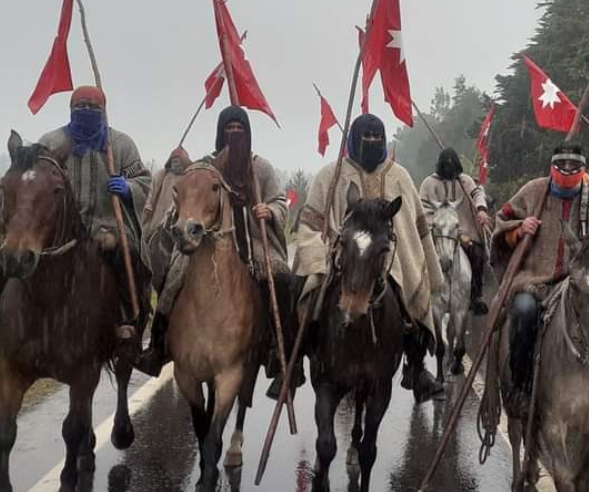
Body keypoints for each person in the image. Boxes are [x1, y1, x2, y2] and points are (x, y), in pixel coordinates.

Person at [0, 86, 150, 359]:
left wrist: (129, 187)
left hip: (105, 225)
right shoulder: (51, 141)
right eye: (80, 106)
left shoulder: (121, 144)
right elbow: (30, 179)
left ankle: (125, 320)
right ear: (70, 109)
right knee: (1, 255)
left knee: (129, 254)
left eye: (93, 107)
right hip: (57, 227)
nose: (86, 110)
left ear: (104, 110)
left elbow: (144, 181)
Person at [136, 105, 299, 399]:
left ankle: (282, 356)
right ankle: (158, 348)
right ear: (219, 132)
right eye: (229, 128)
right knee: (172, 279)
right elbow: (187, 197)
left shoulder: (260, 167)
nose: (234, 133)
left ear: (248, 132)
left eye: (239, 128)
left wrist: (270, 210)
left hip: (252, 241)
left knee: (283, 279)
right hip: (207, 243)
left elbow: (278, 201)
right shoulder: (206, 167)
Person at [293, 114, 446, 402]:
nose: (372, 141)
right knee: (306, 293)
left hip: (388, 259)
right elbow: (310, 223)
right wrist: (319, 255)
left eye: (377, 136)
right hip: (341, 257)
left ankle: (416, 368)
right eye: (366, 136)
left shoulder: (399, 176)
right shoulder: (331, 175)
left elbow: (416, 227)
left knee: (411, 304)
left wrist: (426, 267)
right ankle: (293, 361)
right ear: (353, 139)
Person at [491, 145, 589, 412]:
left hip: (585, 281)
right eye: (563, 165)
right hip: (536, 280)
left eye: (574, 166)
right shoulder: (534, 190)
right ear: (552, 166)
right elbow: (502, 220)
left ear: (583, 168)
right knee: (524, 312)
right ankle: (520, 386)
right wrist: (518, 229)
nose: (568, 171)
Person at [418, 148, 493, 314]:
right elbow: (424, 210)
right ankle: (420, 296)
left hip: (465, 230)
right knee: (421, 259)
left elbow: (477, 194)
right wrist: (438, 228)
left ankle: (476, 296)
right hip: (438, 233)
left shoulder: (465, 181)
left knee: (477, 254)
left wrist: (481, 209)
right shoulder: (428, 184)